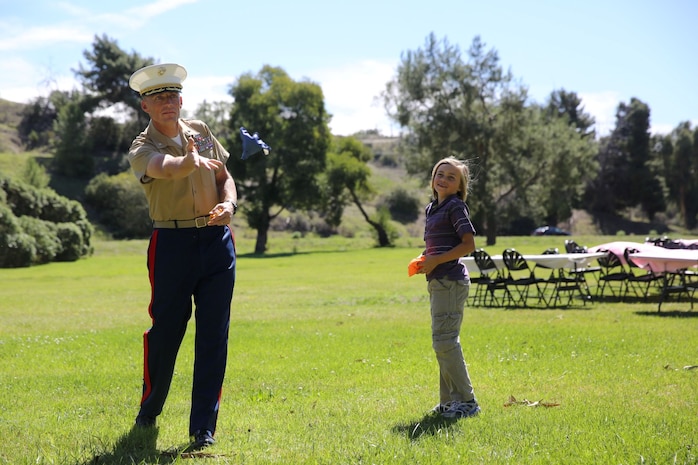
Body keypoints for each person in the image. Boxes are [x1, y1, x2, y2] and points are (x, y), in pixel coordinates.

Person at [127, 63, 237, 451]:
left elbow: (225, 175)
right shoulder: (142, 147)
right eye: (158, 98)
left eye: (172, 95)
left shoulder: (202, 132)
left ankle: (203, 429)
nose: (167, 103)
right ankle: (150, 409)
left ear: (181, 99)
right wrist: (185, 164)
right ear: (145, 106)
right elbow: (163, 168)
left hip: (216, 240)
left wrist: (229, 204)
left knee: (214, 336)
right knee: (166, 333)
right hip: (171, 247)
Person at [415, 156, 480, 419]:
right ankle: (449, 403)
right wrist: (425, 259)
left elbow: (468, 245)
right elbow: (439, 245)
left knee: (445, 341)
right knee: (441, 343)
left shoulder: (455, 207)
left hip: (452, 281)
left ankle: (467, 401)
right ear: (433, 178)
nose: (443, 179)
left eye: (451, 177)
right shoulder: (432, 209)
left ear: (459, 186)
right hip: (438, 282)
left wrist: (435, 261)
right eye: (440, 174)